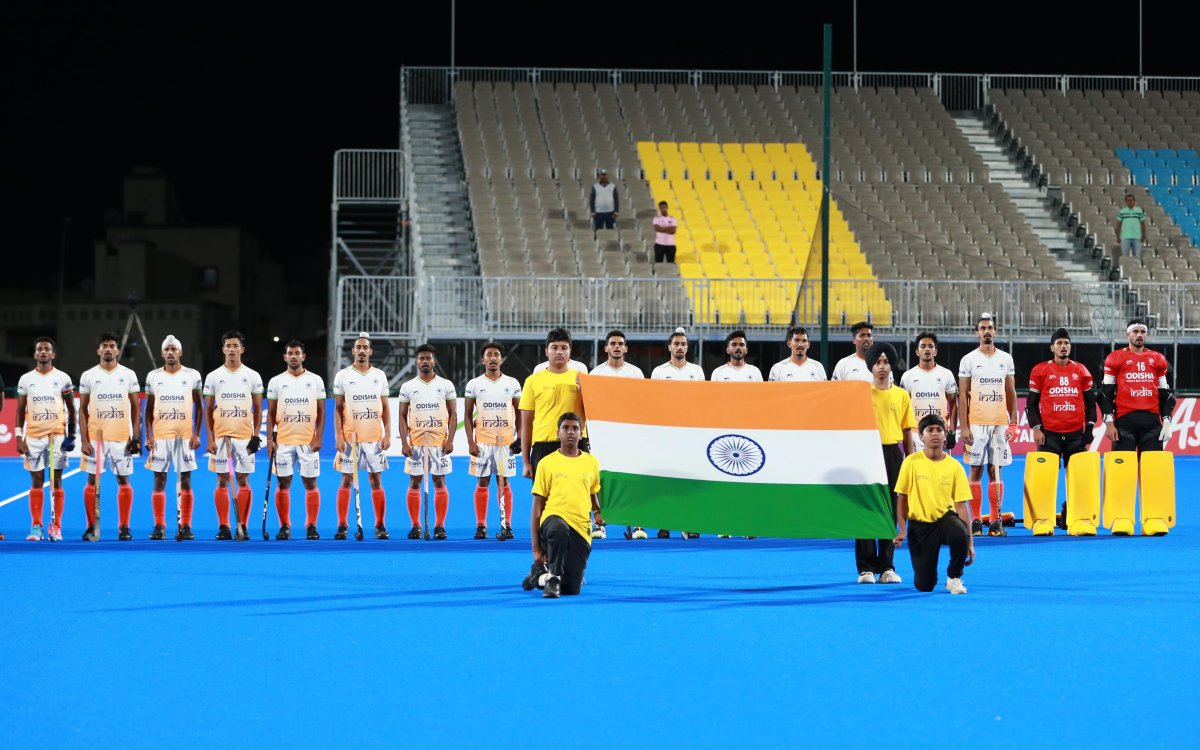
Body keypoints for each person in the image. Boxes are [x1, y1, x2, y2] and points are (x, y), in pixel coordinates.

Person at [521, 413, 603, 598]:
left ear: (580, 434)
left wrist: (597, 512)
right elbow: (536, 508)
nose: (570, 432)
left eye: (575, 428)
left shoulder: (591, 462)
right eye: (565, 428)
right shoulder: (546, 463)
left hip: (581, 529)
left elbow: (593, 492)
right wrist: (536, 549)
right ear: (558, 433)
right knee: (558, 529)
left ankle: (538, 578)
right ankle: (554, 579)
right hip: (553, 520)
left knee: (572, 589)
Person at [893, 415, 975, 595]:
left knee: (959, 532)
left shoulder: (955, 467)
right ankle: (929, 576)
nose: (935, 434)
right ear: (921, 436)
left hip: (945, 521)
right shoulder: (910, 463)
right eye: (929, 430)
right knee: (925, 585)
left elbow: (962, 507)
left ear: (946, 436)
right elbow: (902, 499)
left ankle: (954, 577)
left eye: (939, 430)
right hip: (919, 527)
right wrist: (902, 529)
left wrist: (969, 542)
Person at [519, 328, 591, 531]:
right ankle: (543, 545)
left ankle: (577, 539)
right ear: (546, 352)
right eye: (554, 347)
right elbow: (527, 424)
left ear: (570, 352)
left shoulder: (582, 379)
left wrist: (586, 390)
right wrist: (525, 460)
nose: (559, 352)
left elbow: (595, 412)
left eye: (564, 348)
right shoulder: (533, 381)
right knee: (544, 500)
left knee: (577, 495)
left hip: (576, 445)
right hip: (543, 447)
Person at [857, 342, 915, 584]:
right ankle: (865, 568)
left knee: (892, 510)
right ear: (871, 366)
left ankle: (887, 567)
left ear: (892, 365)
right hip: (864, 453)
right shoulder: (859, 394)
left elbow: (907, 431)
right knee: (865, 509)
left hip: (893, 455)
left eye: (886, 362)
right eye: (877, 362)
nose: (882, 366)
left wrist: (911, 462)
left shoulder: (901, 395)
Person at [1026, 328, 1095, 527]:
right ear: (1052, 348)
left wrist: (1089, 428)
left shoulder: (1081, 370)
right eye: (1059, 343)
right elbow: (1031, 405)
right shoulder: (1040, 370)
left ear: (1070, 346)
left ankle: (1074, 514)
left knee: (1078, 478)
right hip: (1050, 435)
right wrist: (1036, 428)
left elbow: (1091, 404)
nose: (1063, 346)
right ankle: (1044, 517)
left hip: (1075, 434)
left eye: (1066, 343)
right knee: (1046, 478)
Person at [957, 313, 1018, 537]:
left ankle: (994, 521)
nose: (986, 332)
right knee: (975, 470)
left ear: (995, 331)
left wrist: (1013, 421)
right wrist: (963, 427)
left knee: (996, 471)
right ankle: (975, 521)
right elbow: (962, 396)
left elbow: (1011, 391)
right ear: (977, 333)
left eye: (990, 328)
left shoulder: (1006, 358)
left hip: (999, 425)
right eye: (982, 328)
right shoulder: (968, 360)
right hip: (976, 423)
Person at [78, 332, 142, 541]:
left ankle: (124, 526)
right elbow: (82, 410)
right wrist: (85, 440)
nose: (107, 349)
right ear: (99, 350)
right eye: (104, 346)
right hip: (96, 438)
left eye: (111, 346)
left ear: (117, 350)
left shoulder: (128, 374)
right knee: (92, 480)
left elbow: (136, 407)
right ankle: (91, 526)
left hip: (121, 437)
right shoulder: (88, 375)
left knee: (123, 479)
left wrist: (136, 437)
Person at [204, 330, 264, 541]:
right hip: (222, 438)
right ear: (223, 349)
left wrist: (256, 436)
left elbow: (258, 408)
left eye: (235, 346)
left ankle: (243, 525)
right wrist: (210, 438)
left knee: (243, 479)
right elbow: (208, 409)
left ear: (242, 349)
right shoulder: (213, 377)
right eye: (228, 346)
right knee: (221, 480)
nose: (231, 349)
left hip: (244, 438)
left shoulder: (252, 376)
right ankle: (224, 526)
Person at [589, 330, 649, 539]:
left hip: (629, 434)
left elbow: (643, 404)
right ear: (606, 348)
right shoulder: (595, 374)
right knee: (601, 480)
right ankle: (600, 524)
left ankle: (637, 523)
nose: (616, 346)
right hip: (603, 436)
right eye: (612, 343)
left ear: (626, 348)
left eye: (620, 343)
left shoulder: (635, 373)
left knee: (631, 479)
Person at [14, 336, 76, 542]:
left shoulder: (63, 378)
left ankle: (56, 526)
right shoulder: (26, 379)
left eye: (46, 349)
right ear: (34, 354)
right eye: (39, 349)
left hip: (56, 436)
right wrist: (18, 437)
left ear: (53, 354)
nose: (43, 352)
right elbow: (20, 410)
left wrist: (72, 434)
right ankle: (36, 526)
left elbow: (71, 408)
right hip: (33, 437)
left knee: (56, 480)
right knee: (36, 480)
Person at [144, 335, 203, 541]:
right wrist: (149, 435)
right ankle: (159, 525)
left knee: (185, 479)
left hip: (184, 436)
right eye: (166, 350)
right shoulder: (153, 376)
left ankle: (185, 525)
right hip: (161, 437)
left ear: (180, 352)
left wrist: (196, 433)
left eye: (173, 349)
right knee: (159, 479)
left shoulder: (192, 375)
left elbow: (200, 407)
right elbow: (148, 409)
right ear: (162, 353)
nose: (170, 353)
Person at [332, 334, 392, 540]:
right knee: (346, 480)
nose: (361, 351)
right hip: (350, 439)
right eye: (358, 347)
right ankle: (342, 524)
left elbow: (385, 408)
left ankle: (380, 524)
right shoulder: (342, 376)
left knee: (376, 480)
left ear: (370, 351)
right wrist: (338, 436)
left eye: (365, 347)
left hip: (374, 438)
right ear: (353, 351)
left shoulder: (379, 375)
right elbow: (338, 409)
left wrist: (388, 434)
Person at [266, 340, 326, 540]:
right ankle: (284, 526)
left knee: (310, 482)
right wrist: (269, 440)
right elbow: (271, 413)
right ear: (284, 357)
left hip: (308, 442)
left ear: (303, 356)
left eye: (297, 353)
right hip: (283, 441)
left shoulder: (315, 380)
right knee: (283, 483)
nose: (293, 356)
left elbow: (322, 412)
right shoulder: (276, 381)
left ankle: (311, 525)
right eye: (290, 353)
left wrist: (318, 437)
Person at [398, 344, 458, 540]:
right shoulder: (408, 387)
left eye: (428, 358)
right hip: (416, 443)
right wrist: (405, 443)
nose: (425, 361)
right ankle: (415, 525)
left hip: (438, 444)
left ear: (434, 361)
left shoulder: (446, 385)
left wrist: (450, 440)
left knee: (439, 480)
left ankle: (440, 525)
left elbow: (453, 414)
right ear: (416, 362)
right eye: (422, 358)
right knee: (414, 481)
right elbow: (402, 415)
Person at [650, 327, 704, 538]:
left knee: (690, 479)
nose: (679, 347)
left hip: (691, 433)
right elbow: (654, 403)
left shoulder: (697, 371)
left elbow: (703, 402)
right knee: (666, 479)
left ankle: (689, 523)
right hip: (666, 433)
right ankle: (665, 522)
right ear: (669, 347)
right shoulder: (659, 372)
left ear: (687, 347)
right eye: (676, 344)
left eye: (683, 344)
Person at [464, 342, 522, 541]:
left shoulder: (512, 383)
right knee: (483, 481)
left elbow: (519, 413)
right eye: (489, 355)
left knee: (504, 482)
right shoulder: (474, 384)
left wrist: (519, 437)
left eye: (497, 354)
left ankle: (507, 523)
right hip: (482, 442)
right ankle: (481, 524)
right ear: (483, 360)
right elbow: (467, 413)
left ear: (502, 359)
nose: (493, 358)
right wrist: (471, 442)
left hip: (505, 442)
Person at [1100, 319, 1173, 455]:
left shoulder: (1158, 358)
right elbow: (1106, 394)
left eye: (1143, 332)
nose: (1139, 335)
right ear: (1128, 334)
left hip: (1152, 423)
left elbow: (1165, 394)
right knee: (1122, 472)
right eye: (1135, 331)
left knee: (1151, 472)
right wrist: (1109, 424)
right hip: (1124, 423)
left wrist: (1167, 422)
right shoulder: (1115, 358)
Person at [899, 332, 958, 451]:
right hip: (915, 434)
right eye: (923, 346)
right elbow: (902, 407)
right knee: (917, 469)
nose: (927, 349)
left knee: (942, 469)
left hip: (940, 432)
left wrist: (952, 431)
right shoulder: (907, 376)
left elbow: (953, 404)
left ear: (935, 351)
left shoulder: (946, 374)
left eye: (931, 346)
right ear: (917, 351)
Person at [1116, 193, 1147, 260]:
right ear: (1126, 202)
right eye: (1128, 200)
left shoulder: (1139, 211)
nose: (1130, 202)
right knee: (1125, 257)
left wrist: (1143, 235)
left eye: (1131, 200)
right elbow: (1118, 224)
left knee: (1137, 257)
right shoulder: (1122, 212)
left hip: (1137, 237)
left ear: (1134, 201)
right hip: (1125, 237)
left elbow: (1143, 224)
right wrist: (1118, 236)